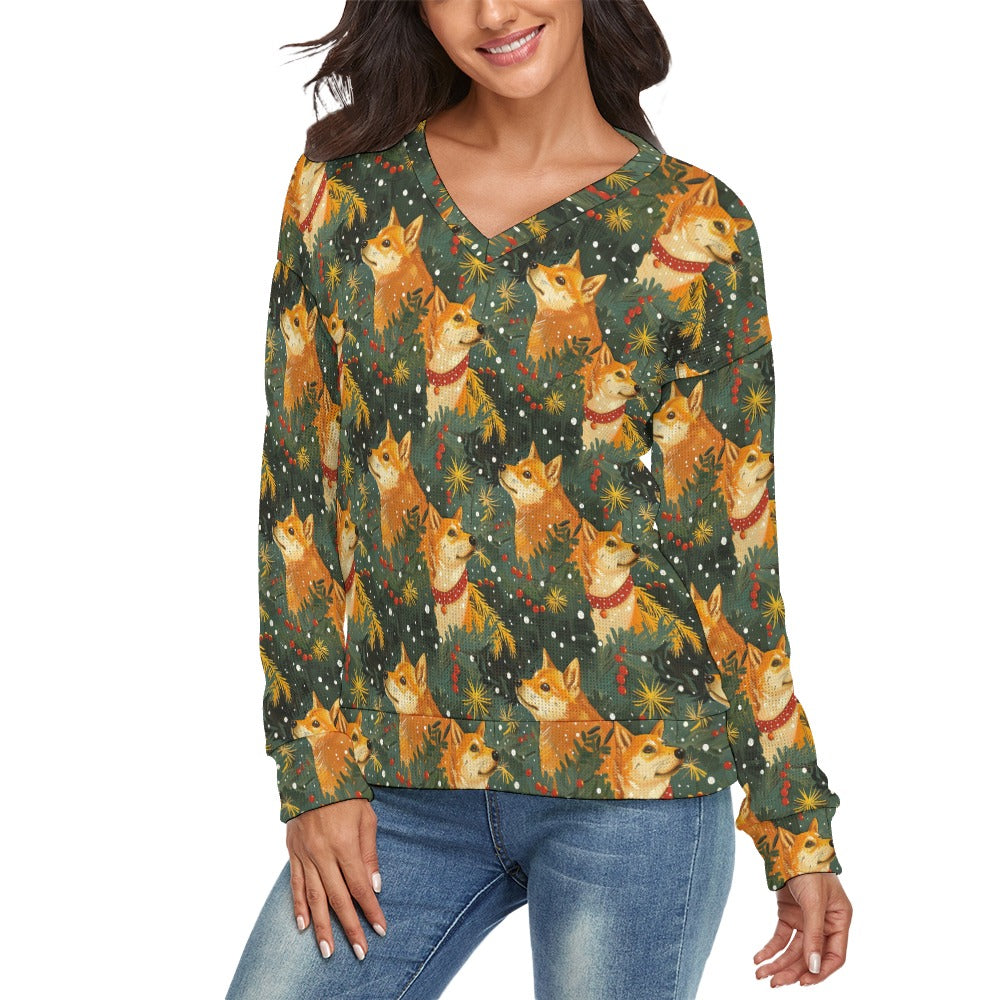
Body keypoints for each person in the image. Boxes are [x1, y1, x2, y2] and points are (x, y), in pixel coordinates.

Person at [226, 2, 853, 997]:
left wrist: (794, 823)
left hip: (637, 786)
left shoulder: (692, 225)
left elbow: (728, 545)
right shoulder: (346, 192)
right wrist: (314, 773)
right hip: (398, 785)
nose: (494, 12)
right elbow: (300, 495)